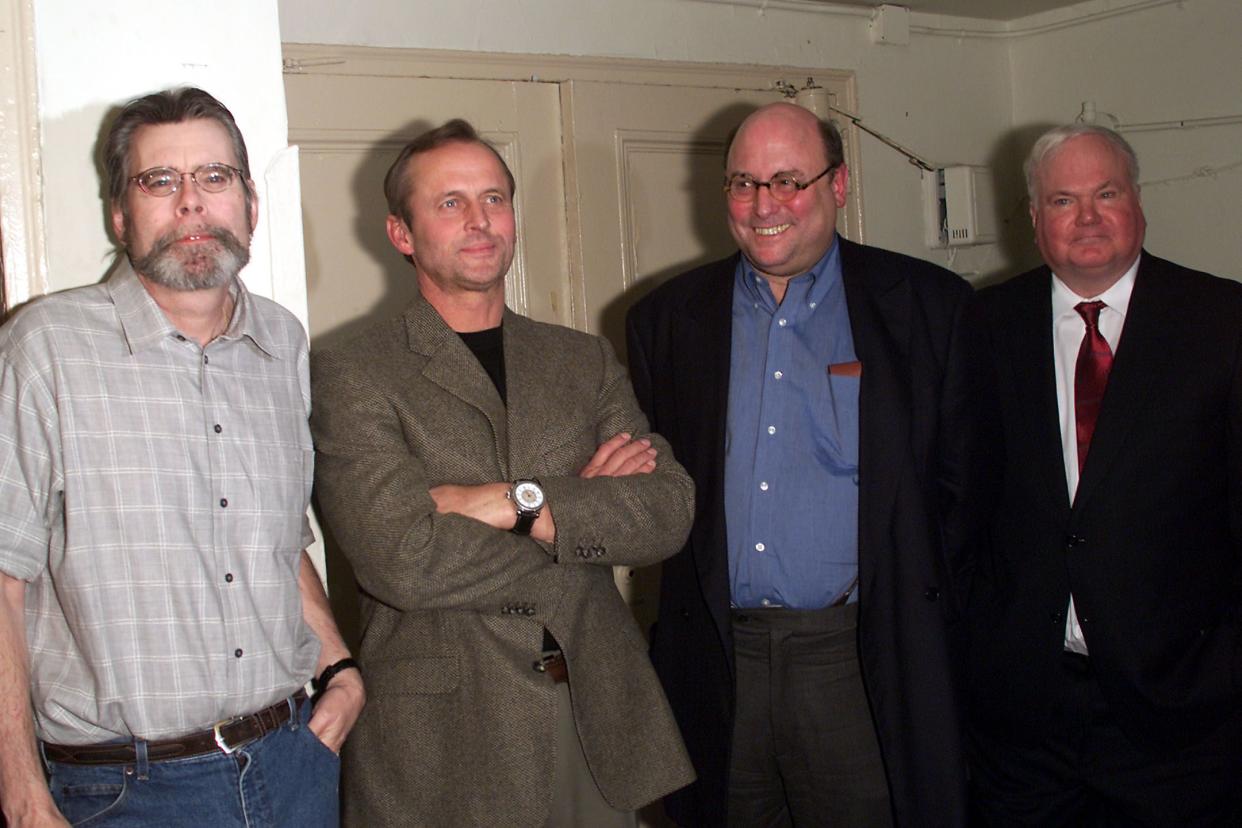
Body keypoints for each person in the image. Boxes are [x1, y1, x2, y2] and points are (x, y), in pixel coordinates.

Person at [309, 118, 695, 827]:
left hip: (596, 716)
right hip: (447, 743)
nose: (480, 220)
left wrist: (509, 503)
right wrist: (583, 520)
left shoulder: (580, 359)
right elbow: (402, 559)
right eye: (450, 202)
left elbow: (668, 509)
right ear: (402, 232)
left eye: (494, 198)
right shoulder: (353, 372)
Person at [0, 87, 363, 827]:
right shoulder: (44, 348)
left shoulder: (283, 342)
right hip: (126, 793)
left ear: (251, 203)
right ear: (119, 214)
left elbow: (279, 534)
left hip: (293, 760)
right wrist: (20, 790)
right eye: (159, 181)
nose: (191, 203)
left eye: (215, 177)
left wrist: (341, 669)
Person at [625, 101, 975, 827]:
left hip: (860, 660)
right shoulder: (665, 321)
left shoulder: (928, 308)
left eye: (789, 180)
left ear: (838, 185)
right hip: (717, 661)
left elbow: (967, 498)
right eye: (744, 183)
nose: (764, 206)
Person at [968, 123, 1242, 825]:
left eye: (1106, 193)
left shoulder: (1222, 322)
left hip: (1183, 716)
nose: (1086, 217)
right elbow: (961, 502)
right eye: (1062, 200)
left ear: (1138, 202)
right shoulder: (982, 326)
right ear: (1034, 219)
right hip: (1025, 718)